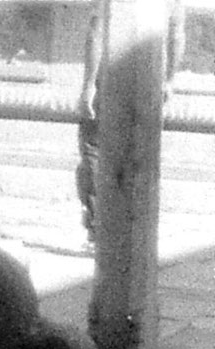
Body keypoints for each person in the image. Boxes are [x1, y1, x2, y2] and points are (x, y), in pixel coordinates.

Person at [75, 0, 187, 240]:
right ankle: (136, 227)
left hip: (112, 77)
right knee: (139, 151)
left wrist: (87, 87)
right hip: (150, 80)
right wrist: (169, 81)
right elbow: (177, 34)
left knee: (94, 148)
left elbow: (97, 33)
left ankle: (100, 227)